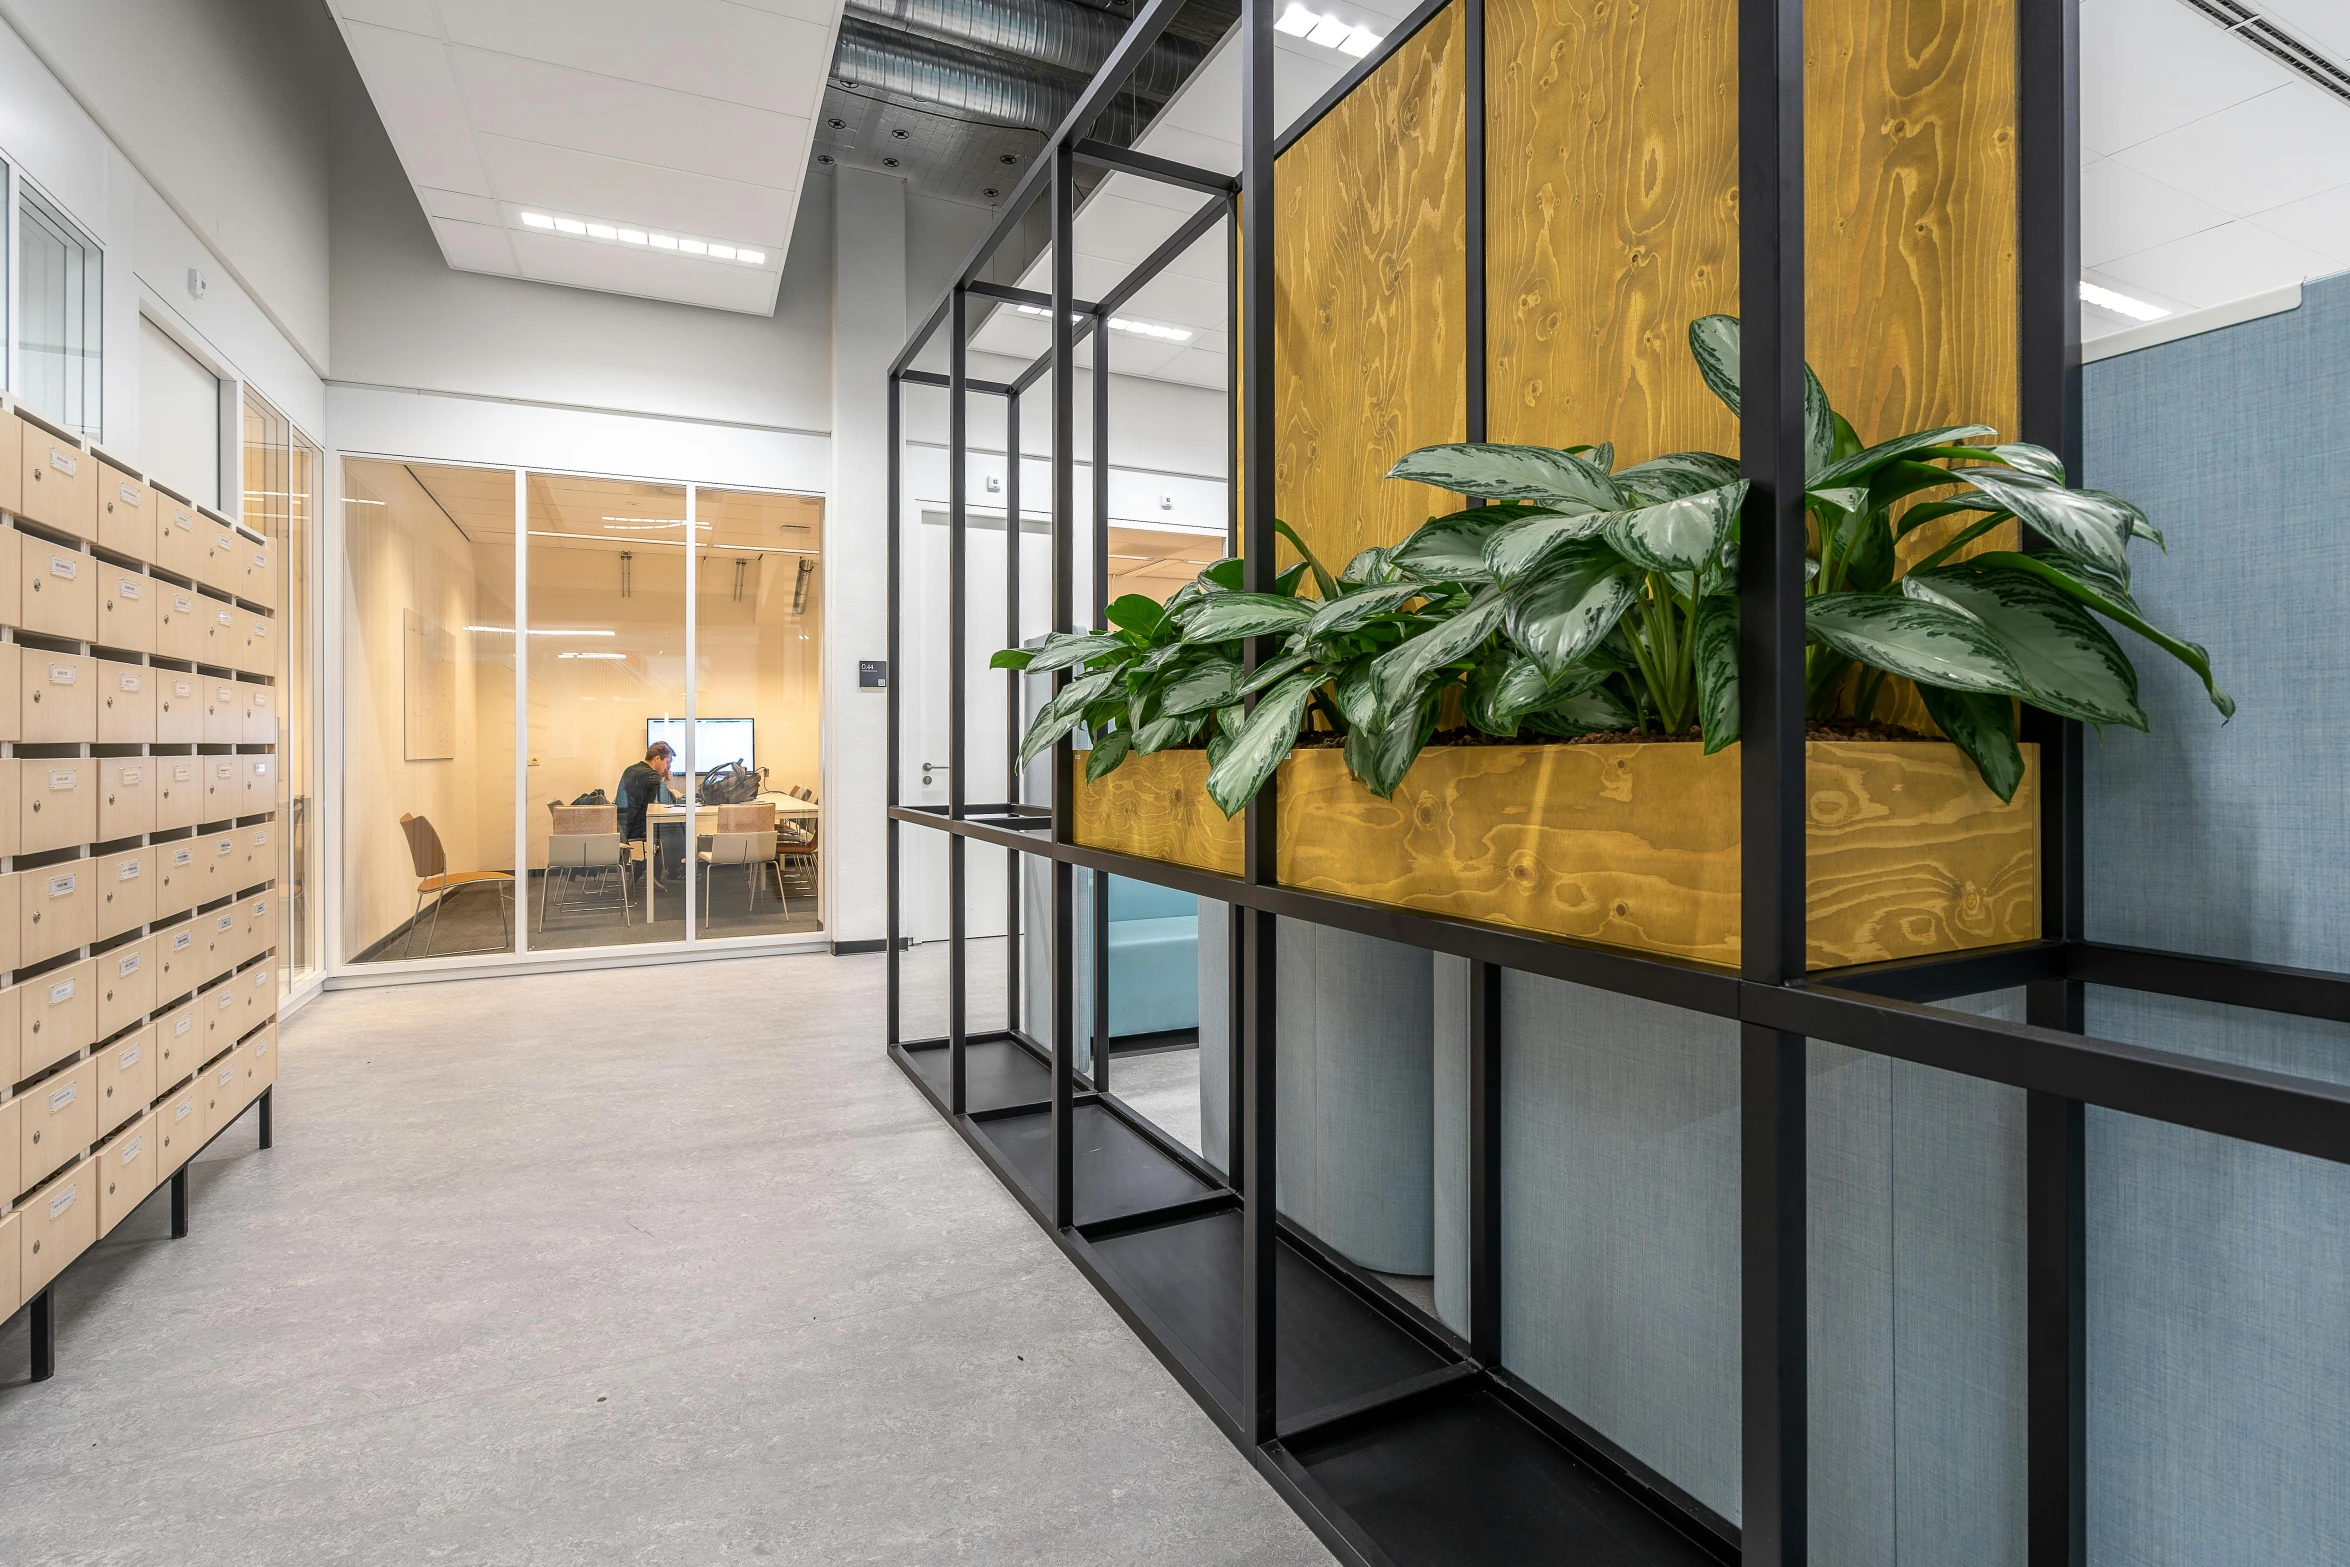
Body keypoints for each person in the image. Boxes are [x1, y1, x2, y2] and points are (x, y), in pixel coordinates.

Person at [616, 742, 679, 874]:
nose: (669, 766)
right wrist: (667, 783)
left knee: (675, 829)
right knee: (679, 830)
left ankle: (651, 869)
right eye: (668, 761)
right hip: (637, 828)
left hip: (624, 825)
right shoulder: (651, 775)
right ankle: (653, 868)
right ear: (657, 758)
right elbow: (668, 801)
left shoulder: (632, 769)